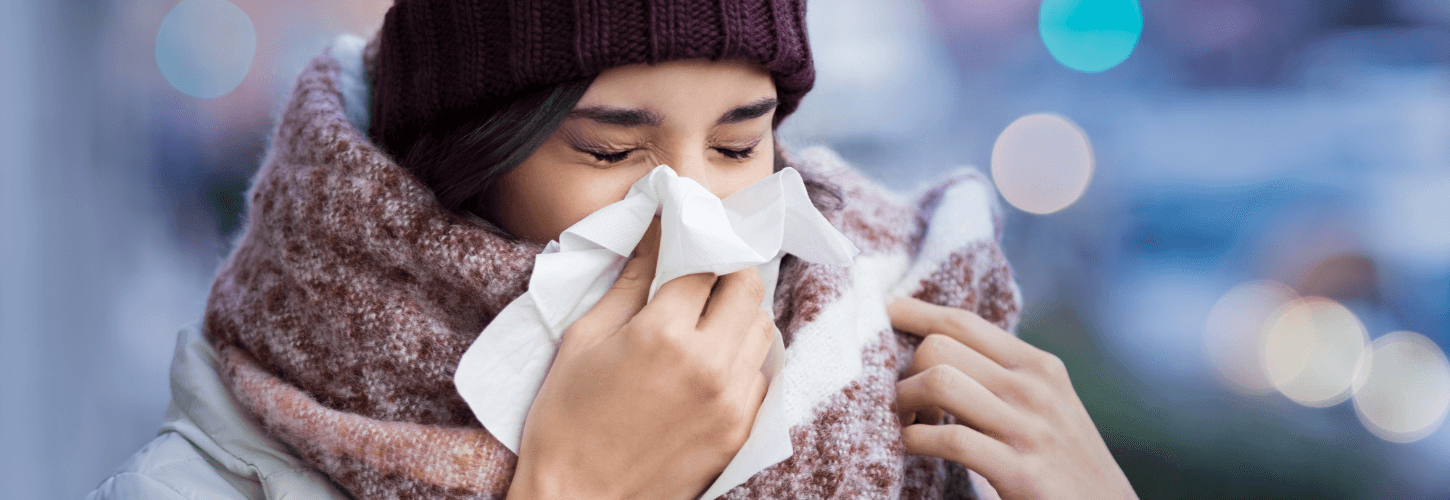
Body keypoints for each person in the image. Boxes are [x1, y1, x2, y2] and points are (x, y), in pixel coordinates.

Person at [90, 0, 1136, 499]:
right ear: (462, 162)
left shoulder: (911, 400)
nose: (697, 209)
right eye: (610, 148)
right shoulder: (207, 481)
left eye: (738, 141)